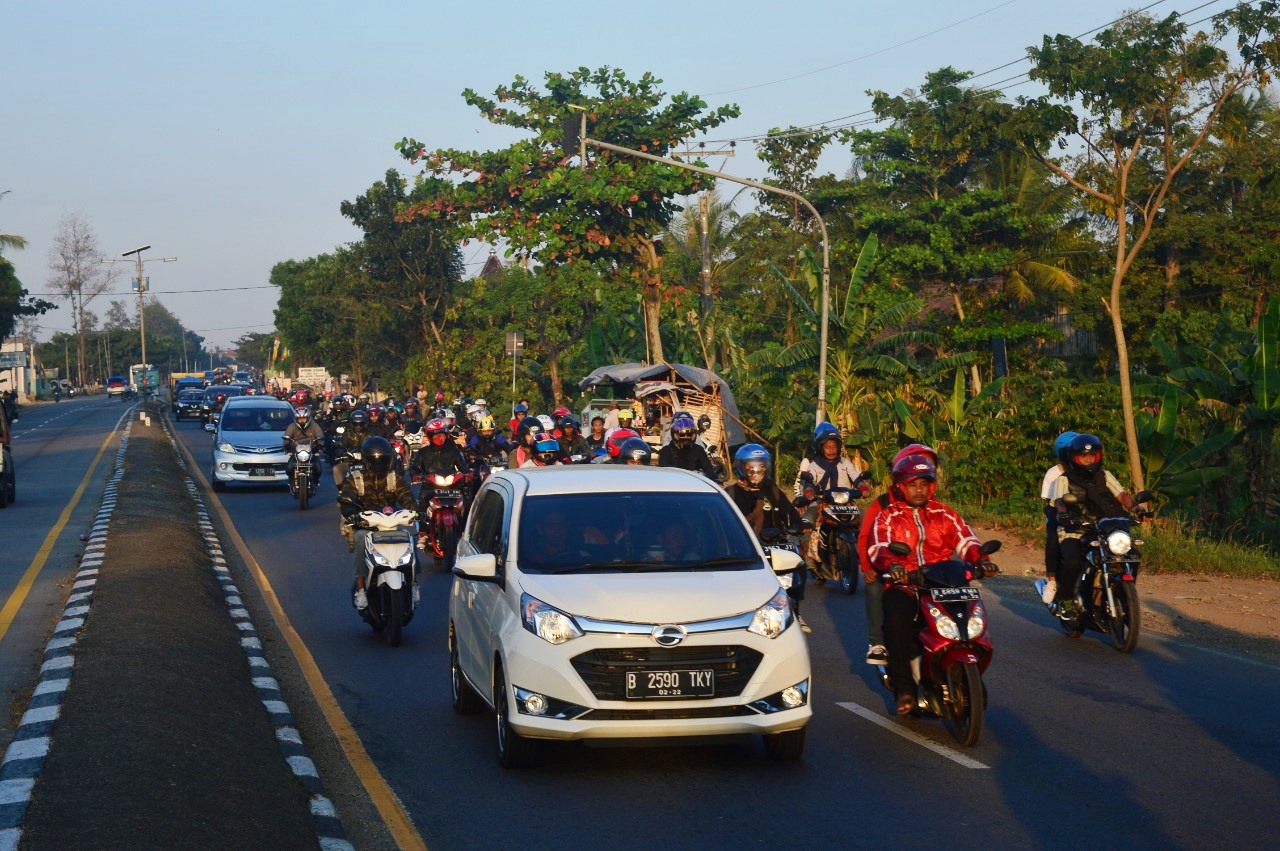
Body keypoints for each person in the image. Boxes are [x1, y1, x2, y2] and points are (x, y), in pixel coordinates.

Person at [868, 453, 990, 715]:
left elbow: (966, 539)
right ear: (901, 486)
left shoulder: (944, 513)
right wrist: (895, 566)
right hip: (906, 584)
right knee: (897, 623)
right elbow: (879, 546)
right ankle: (905, 689)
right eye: (913, 485)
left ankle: (961, 670)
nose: (919, 490)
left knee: (970, 618)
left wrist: (981, 559)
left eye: (924, 484)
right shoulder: (888, 516)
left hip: (945, 582)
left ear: (931, 486)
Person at [856, 442, 938, 665]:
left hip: (923, 570)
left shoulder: (934, 506)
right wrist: (868, 568)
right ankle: (877, 643)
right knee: (874, 589)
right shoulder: (882, 504)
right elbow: (865, 538)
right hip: (889, 568)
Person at [1047, 433, 1147, 612]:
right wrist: (1063, 516)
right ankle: (1067, 600)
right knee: (1073, 562)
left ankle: (1122, 595)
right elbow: (1061, 502)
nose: (1088, 461)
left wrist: (1138, 509)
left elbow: (1121, 495)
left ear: (1098, 456)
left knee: (1132, 555)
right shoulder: (1064, 479)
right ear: (1075, 458)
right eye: (1083, 457)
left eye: (1091, 456)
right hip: (1075, 529)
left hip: (1105, 528)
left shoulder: (1105, 475)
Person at [725, 444, 811, 632]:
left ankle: (795, 609)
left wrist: (799, 524)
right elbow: (726, 523)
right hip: (747, 547)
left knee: (798, 564)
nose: (757, 471)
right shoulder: (731, 493)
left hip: (776, 544)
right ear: (742, 467)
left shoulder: (771, 489)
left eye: (761, 466)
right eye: (752, 467)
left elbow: (788, 510)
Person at [337, 436, 417, 610]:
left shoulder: (394, 477)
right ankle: (360, 590)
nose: (379, 464)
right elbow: (347, 499)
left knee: (411, 537)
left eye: (382, 460)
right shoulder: (355, 478)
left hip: (392, 523)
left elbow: (406, 496)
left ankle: (414, 582)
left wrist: (414, 510)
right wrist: (352, 515)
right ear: (367, 460)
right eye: (375, 461)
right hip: (367, 526)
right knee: (360, 539)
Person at [794, 422, 866, 573]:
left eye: (834, 447)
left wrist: (863, 487)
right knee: (808, 523)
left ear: (839, 447)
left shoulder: (844, 462)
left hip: (845, 501)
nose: (831, 450)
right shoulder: (814, 465)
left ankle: (864, 552)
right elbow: (809, 479)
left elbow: (855, 476)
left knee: (865, 520)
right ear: (820, 447)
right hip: (822, 502)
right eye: (828, 447)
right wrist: (809, 491)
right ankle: (809, 556)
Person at [1039, 431, 1078, 604]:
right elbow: (1049, 503)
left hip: (1081, 514)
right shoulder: (1053, 474)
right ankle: (1052, 580)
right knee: (1054, 536)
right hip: (1058, 512)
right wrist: (1062, 515)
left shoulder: (1083, 471)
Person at [657, 411, 717, 478]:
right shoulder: (666, 451)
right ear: (675, 435)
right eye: (682, 435)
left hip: (695, 484)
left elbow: (709, 470)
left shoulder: (698, 450)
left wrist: (715, 479)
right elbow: (663, 474)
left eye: (689, 435)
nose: (686, 437)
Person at [282, 405, 326, 483]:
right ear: (296, 419)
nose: (302, 421)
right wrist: (287, 444)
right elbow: (287, 436)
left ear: (308, 418)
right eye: (300, 419)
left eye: (304, 419)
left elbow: (320, 435)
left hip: (311, 451)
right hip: (296, 452)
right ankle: (292, 480)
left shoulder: (314, 425)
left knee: (318, 469)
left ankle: (315, 481)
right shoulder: (292, 426)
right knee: (289, 469)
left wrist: (319, 444)